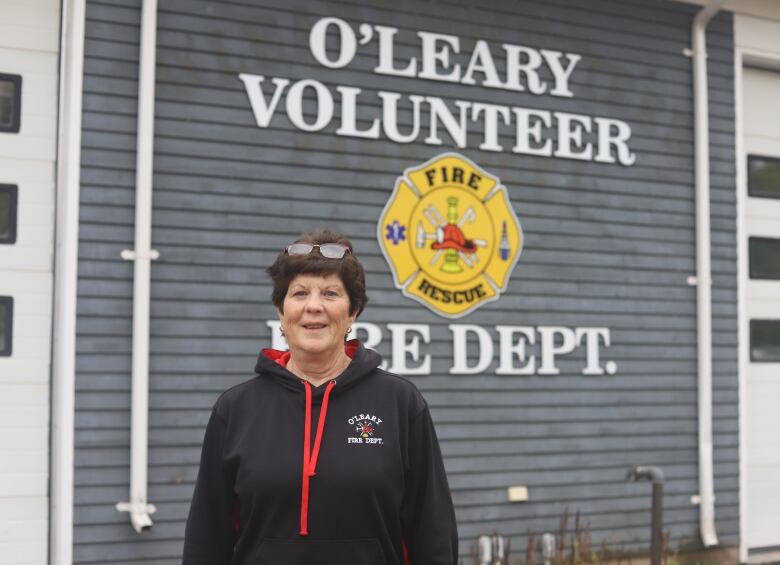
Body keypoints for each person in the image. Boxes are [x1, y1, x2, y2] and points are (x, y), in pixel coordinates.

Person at [182, 229, 458, 565]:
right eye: (299, 294)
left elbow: (433, 531)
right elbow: (207, 537)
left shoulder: (401, 403)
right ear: (281, 314)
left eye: (330, 293)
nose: (314, 307)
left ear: (352, 313)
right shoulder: (235, 410)